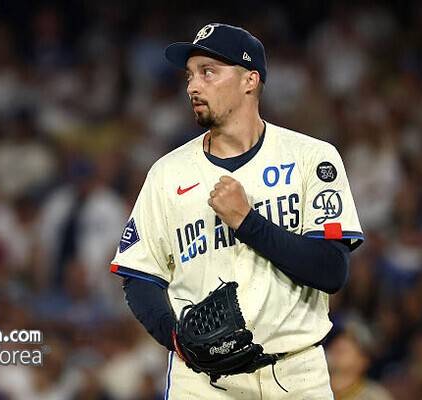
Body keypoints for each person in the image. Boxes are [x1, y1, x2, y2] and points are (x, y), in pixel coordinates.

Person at [110, 23, 364, 399]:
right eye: (190, 75)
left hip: (296, 374)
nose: (193, 86)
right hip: (202, 384)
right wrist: (176, 339)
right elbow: (139, 276)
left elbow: (331, 270)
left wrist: (247, 221)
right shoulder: (167, 174)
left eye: (208, 72)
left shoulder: (312, 157)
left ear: (250, 80)